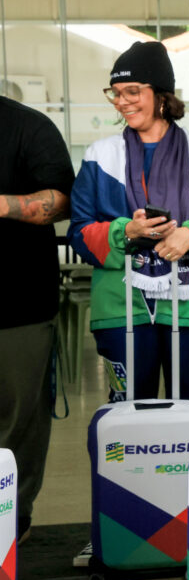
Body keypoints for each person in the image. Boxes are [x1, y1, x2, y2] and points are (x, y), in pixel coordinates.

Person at [70, 41, 189, 408]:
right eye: (115, 93)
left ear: (161, 95)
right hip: (121, 308)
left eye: (132, 91)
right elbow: (79, 233)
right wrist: (125, 232)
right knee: (127, 418)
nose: (122, 102)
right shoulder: (100, 156)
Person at [0, 95, 75, 544]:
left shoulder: (27, 127)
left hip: (18, 306)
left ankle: (12, 515)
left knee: (18, 419)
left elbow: (62, 201)